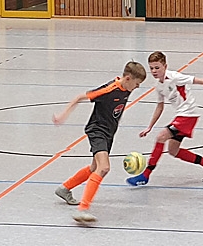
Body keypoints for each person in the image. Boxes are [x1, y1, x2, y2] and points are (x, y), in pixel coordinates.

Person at [53, 61, 147, 224]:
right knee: (104, 167)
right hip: (97, 131)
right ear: (127, 78)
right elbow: (80, 97)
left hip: (109, 133)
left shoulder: (126, 88)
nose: (138, 87)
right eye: (137, 83)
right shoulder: (109, 90)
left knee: (94, 168)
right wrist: (63, 115)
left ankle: (65, 188)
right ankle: (82, 209)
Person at [127, 51, 203, 186]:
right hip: (183, 115)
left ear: (165, 66)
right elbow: (160, 107)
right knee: (173, 151)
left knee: (161, 137)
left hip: (188, 115)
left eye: (157, 67)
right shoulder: (159, 86)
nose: (154, 71)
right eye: (152, 68)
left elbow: (197, 80)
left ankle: (145, 175)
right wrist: (149, 127)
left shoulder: (175, 77)